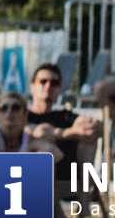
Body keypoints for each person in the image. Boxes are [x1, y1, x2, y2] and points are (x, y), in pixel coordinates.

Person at [26, 62, 101, 208]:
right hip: (32, 179)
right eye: (43, 82)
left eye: (54, 83)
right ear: (32, 87)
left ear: (59, 89)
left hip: (69, 178)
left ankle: (84, 209)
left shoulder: (65, 116)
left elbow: (94, 126)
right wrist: (70, 132)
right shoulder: (22, 114)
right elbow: (37, 131)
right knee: (43, 144)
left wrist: (88, 127)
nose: (48, 86)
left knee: (89, 139)